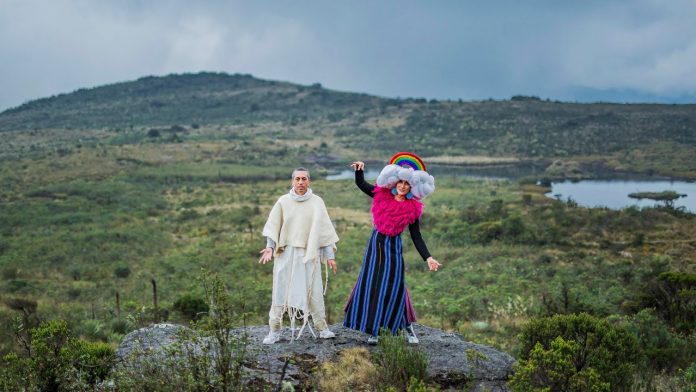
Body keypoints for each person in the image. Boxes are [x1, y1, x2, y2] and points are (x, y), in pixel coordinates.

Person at [343, 152, 441, 344]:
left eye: (407, 184)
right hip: (376, 243)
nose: (403, 186)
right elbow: (362, 185)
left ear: (412, 186)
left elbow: (416, 236)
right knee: (373, 283)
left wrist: (428, 257)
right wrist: (359, 171)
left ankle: (407, 326)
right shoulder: (381, 194)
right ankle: (374, 330)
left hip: (394, 246)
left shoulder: (413, 208)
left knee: (396, 285)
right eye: (400, 183)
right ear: (395, 182)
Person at [259, 167, 339, 344]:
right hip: (286, 253)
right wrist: (270, 248)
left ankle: (322, 327)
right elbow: (273, 227)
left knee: (315, 290)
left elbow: (324, 232)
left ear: (309, 181)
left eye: (304, 179)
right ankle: (274, 330)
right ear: (292, 181)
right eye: (298, 179)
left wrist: (330, 256)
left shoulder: (317, 202)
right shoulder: (283, 201)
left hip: (309, 253)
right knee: (280, 290)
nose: (301, 182)